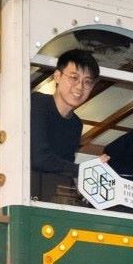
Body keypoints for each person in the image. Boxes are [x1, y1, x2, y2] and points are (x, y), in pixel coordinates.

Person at [30, 49, 99, 201]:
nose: (80, 87)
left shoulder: (76, 124)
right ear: (57, 76)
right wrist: (84, 170)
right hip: (22, 192)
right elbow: (39, 158)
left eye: (87, 82)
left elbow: (64, 168)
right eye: (74, 78)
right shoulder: (38, 103)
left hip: (47, 197)